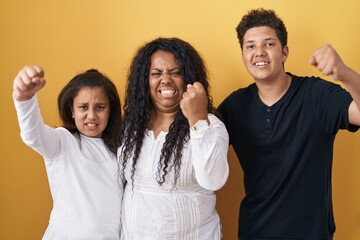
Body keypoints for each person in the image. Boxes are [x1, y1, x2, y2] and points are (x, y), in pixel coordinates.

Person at [218, 8, 360, 240]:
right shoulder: (235, 105)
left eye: (269, 44)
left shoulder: (316, 95)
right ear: (243, 54)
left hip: (312, 234)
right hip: (254, 232)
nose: (259, 52)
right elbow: (203, 151)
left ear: (284, 52)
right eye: (250, 46)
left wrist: (344, 73)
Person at [118, 37, 229, 239]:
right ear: (144, 81)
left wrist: (197, 119)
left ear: (189, 78)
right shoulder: (131, 125)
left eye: (175, 72)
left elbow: (214, 180)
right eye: (156, 73)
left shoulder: (211, 124)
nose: (166, 79)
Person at [13, 66, 123, 239]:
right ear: (72, 111)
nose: (92, 115)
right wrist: (25, 99)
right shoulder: (62, 142)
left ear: (111, 110)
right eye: (83, 107)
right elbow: (33, 134)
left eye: (100, 107)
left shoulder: (120, 151)